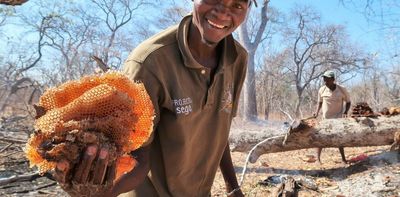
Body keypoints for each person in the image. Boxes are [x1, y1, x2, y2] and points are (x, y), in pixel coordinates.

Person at [50, 0, 255, 196]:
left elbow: (219, 128)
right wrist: (99, 192)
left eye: (237, 4)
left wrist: (233, 188)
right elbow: (137, 157)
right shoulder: (150, 62)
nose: (222, 12)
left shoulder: (237, 58)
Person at [313, 70, 351, 164]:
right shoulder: (322, 89)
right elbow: (320, 102)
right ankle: (318, 159)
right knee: (321, 138)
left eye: (327, 79)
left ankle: (343, 159)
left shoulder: (342, 89)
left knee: (339, 139)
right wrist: (316, 112)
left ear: (333, 79)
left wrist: (346, 111)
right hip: (326, 118)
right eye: (324, 79)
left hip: (338, 119)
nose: (325, 81)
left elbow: (348, 102)